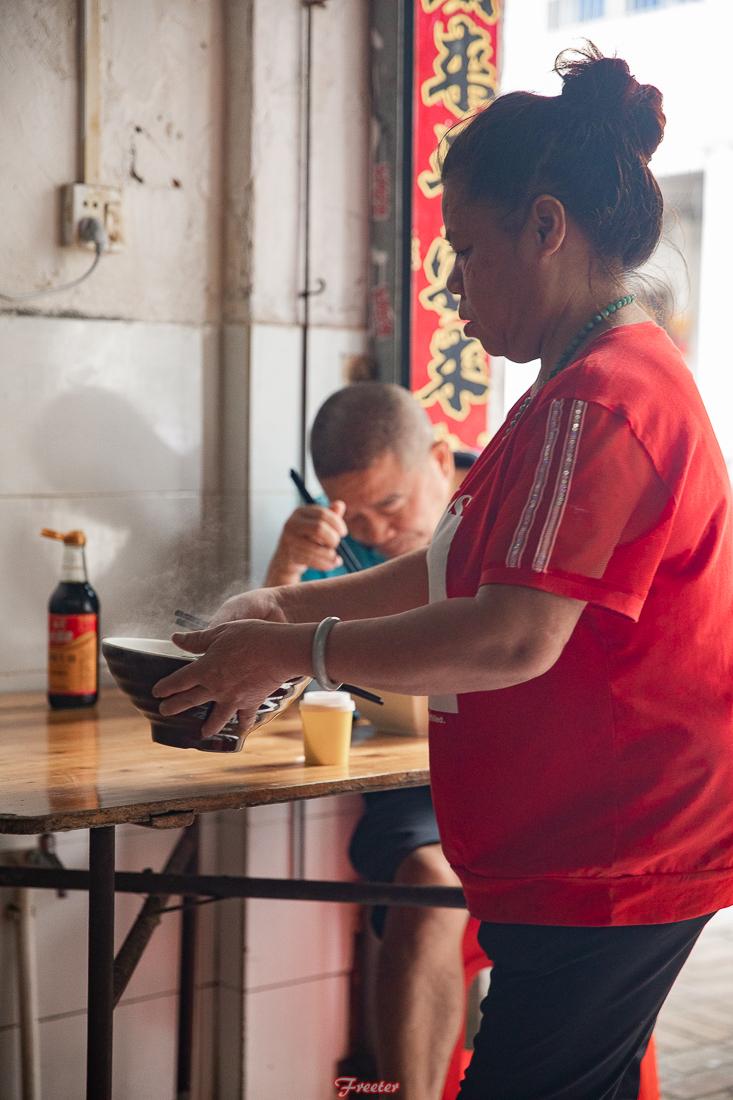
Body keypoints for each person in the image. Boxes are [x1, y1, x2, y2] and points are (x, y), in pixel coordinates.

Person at [154, 44, 733, 1099]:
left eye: (466, 249)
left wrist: (293, 649)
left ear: (546, 227)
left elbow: (511, 633)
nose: (454, 283)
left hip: (614, 852)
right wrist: (281, 602)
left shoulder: (602, 398)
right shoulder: (567, 389)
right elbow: (446, 568)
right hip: (575, 850)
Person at [264, 381, 476, 1098]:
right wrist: (285, 575)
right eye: (352, 513)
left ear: (440, 460)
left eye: (388, 505)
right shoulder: (332, 549)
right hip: (410, 782)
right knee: (426, 883)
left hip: (524, 765)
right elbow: (271, 699)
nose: (373, 533)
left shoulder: (505, 502)